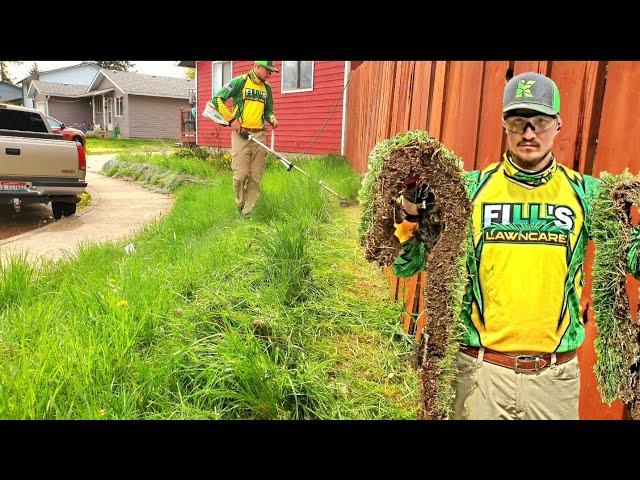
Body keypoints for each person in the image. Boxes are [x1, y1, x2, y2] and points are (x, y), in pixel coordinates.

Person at [393, 71, 640, 419]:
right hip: (480, 376)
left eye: (539, 121)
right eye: (518, 121)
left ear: (558, 125)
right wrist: (409, 210)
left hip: (554, 381)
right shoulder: (467, 190)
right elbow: (407, 263)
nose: (528, 133)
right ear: (504, 125)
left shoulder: (588, 194)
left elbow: (631, 257)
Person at [210, 61, 279, 218]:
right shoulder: (240, 82)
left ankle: (248, 213)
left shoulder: (267, 88)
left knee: (255, 177)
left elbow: (268, 110)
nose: (270, 74)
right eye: (268, 70)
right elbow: (217, 99)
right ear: (257, 67)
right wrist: (231, 120)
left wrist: (273, 119)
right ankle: (240, 206)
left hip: (260, 135)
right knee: (241, 175)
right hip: (241, 135)